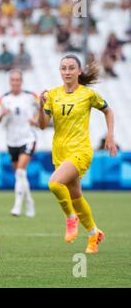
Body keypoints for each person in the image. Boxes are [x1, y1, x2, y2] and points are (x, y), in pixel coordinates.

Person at [39, 54, 117, 254]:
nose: (67, 72)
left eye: (71, 68)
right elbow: (42, 125)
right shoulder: (53, 94)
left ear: (79, 71)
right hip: (60, 152)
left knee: (54, 183)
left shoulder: (88, 94)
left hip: (80, 150)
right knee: (76, 196)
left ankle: (70, 218)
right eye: (64, 68)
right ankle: (94, 234)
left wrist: (110, 136)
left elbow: (108, 111)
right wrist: (41, 105)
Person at [0, 69, 38, 217]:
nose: (15, 82)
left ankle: (17, 206)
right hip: (11, 140)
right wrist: (2, 114)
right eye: (12, 80)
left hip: (28, 138)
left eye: (17, 80)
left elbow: (44, 109)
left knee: (20, 171)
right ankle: (29, 201)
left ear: (21, 81)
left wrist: (36, 119)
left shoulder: (30, 97)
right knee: (20, 175)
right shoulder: (4, 99)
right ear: (9, 81)